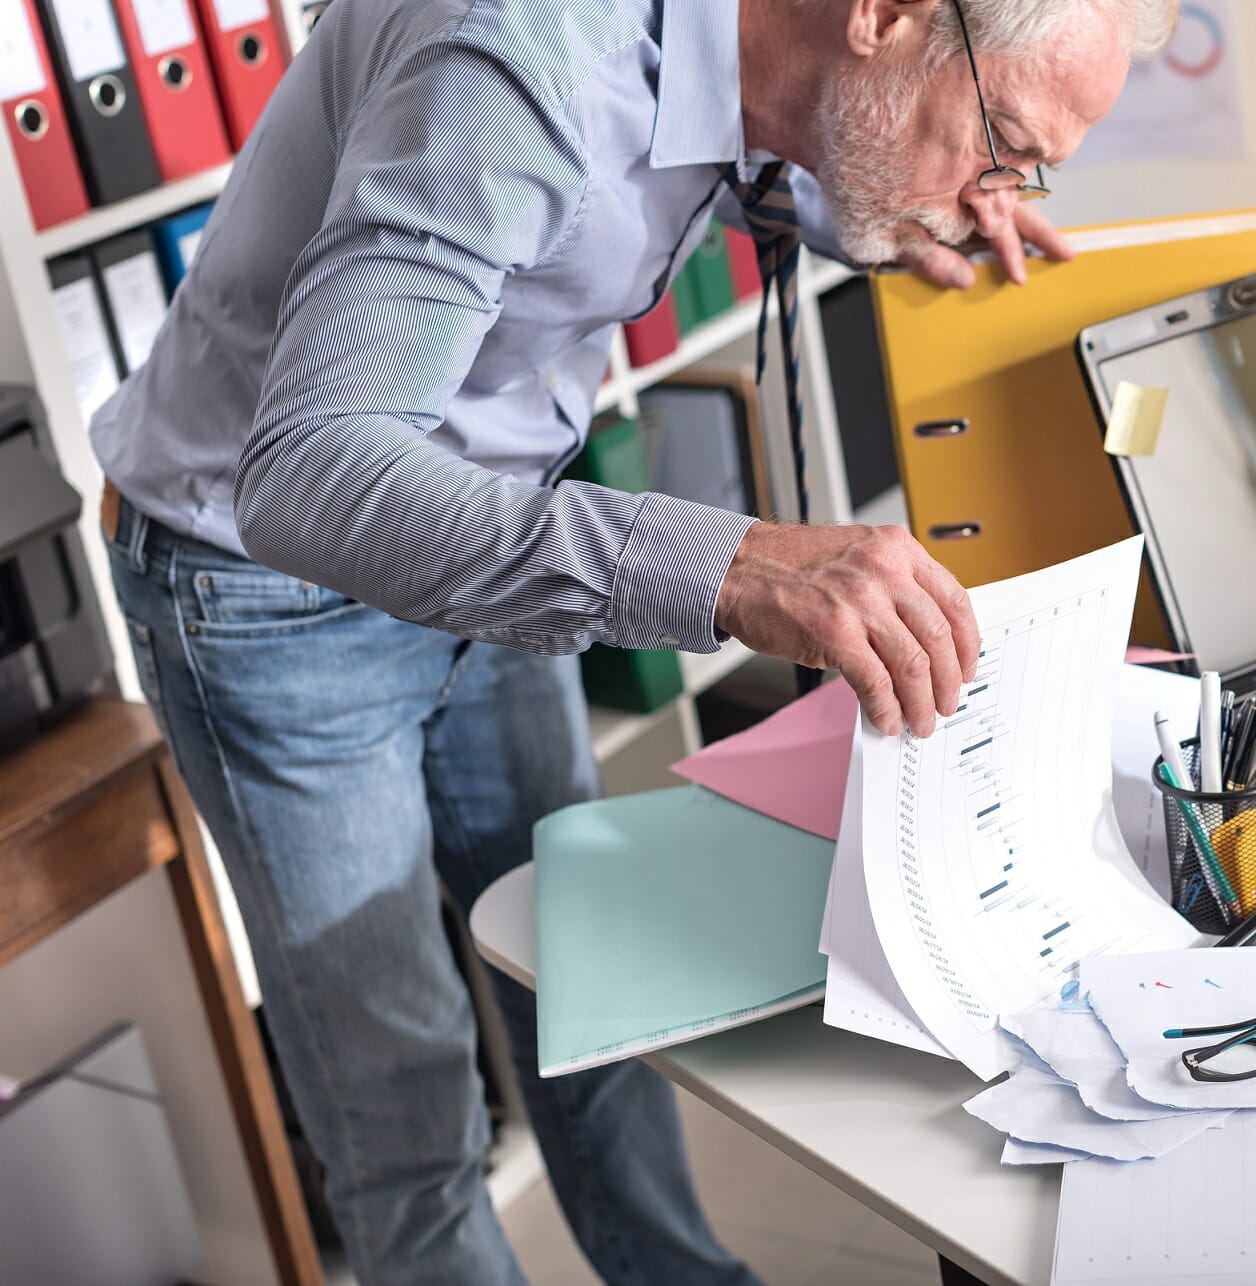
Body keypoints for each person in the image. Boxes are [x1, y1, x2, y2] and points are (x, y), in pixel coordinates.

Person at [91, 0, 1176, 1280]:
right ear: (884, 14)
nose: (1001, 188)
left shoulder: (772, 43)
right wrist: (722, 560)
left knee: (583, 997)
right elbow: (310, 473)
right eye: (1000, 143)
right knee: (406, 1117)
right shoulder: (514, 55)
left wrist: (897, 206)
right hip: (267, 579)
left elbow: (734, 127)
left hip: (486, 527)